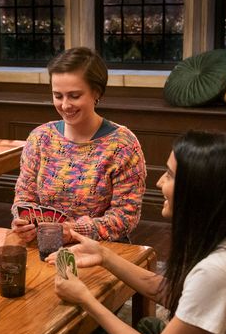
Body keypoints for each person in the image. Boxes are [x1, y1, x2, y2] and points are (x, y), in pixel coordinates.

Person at [51, 130, 226, 334]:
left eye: (170, 175)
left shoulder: (217, 270)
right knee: (150, 325)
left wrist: (86, 300)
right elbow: (174, 291)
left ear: (198, 190)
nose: (159, 182)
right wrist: (104, 255)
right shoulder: (224, 239)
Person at [11, 47, 146, 244]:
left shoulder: (123, 144)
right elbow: (24, 198)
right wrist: (22, 221)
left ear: (96, 92)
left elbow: (125, 217)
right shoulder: (40, 138)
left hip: (103, 251)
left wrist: (73, 231)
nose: (65, 105)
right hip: (44, 244)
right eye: (58, 96)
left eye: (74, 96)